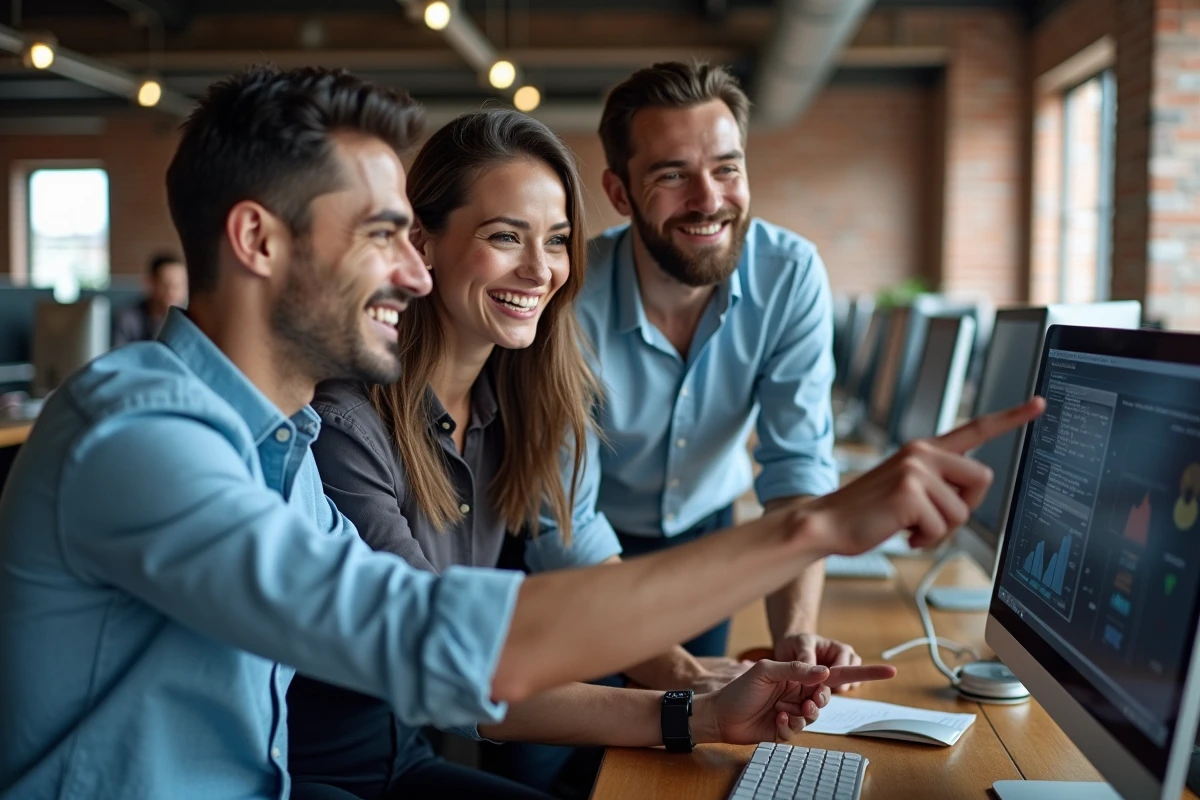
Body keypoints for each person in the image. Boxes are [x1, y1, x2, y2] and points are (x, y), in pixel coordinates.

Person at [0, 64, 1041, 800]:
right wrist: (811, 528)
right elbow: (429, 638)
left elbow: (446, 646)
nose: (410, 273)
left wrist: (696, 703)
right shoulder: (142, 435)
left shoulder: (272, 444)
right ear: (257, 239)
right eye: (383, 235)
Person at [287, 109, 889, 800]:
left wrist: (717, 694)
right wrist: (693, 707)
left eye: (558, 240)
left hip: (408, 756)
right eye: (505, 236)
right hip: (322, 771)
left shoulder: (511, 409)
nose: (540, 269)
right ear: (422, 241)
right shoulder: (345, 425)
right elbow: (453, 673)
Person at [563, 61, 854, 671]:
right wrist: (666, 669)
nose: (709, 200)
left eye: (727, 168)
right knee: (547, 761)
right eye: (673, 175)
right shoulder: (569, 300)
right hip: (580, 551)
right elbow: (564, 516)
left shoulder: (789, 274)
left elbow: (796, 468)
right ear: (619, 193)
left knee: (684, 752)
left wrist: (796, 634)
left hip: (706, 540)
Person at [112, 252, 189, 346]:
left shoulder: (190, 322)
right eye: (165, 285)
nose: (172, 292)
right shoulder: (128, 319)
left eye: (178, 285)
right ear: (150, 283)